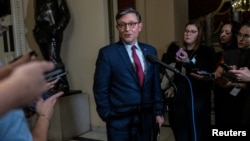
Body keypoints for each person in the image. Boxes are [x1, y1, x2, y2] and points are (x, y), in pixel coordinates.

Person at [93, 8, 164, 141]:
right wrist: (107, 114)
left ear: (140, 26)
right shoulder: (107, 54)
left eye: (132, 24)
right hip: (119, 121)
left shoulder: (150, 51)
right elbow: (100, 88)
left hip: (145, 118)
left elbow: (155, 85)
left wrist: (158, 111)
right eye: (122, 24)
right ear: (117, 27)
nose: (127, 28)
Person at [169, 21, 217, 141]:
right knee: (181, 131)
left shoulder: (206, 51)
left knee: (198, 132)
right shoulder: (180, 51)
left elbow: (207, 72)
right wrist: (172, 87)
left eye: (192, 32)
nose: (188, 34)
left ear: (199, 34)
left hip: (198, 98)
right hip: (181, 98)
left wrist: (188, 62)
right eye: (186, 31)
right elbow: (178, 74)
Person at [213, 22, 250, 127]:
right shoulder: (234, 53)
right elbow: (220, 73)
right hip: (232, 100)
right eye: (239, 35)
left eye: (246, 36)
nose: (241, 38)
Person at [33, 0, 71, 93]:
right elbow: (38, 16)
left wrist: (57, 29)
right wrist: (36, 31)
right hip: (41, 34)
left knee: (54, 59)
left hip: (52, 33)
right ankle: (53, 85)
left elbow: (66, 15)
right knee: (47, 61)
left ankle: (63, 85)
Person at [213, 21, 239, 126]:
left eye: (227, 32)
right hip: (219, 93)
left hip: (232, 95)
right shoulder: (220, 53)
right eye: (222, 32)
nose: (223, 35)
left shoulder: (238, 53)